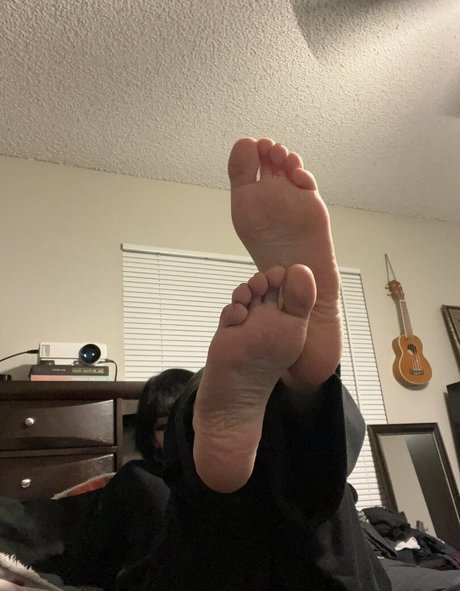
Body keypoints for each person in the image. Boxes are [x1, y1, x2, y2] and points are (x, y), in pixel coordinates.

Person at [135, 138, 393, 590]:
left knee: (277, 465)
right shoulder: (138, 479)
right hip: (331, 567)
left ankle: (292, 394)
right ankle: (301, 394)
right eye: (162, 423)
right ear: (149, 438)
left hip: (210, 563)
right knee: (299, 482)